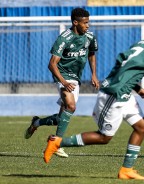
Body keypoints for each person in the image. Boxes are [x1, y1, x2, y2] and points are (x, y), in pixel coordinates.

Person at [43, 20, 144, 180]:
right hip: (115, 94)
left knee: (142, 127)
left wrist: (138, 89)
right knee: (104, 137)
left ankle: (126, 170)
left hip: (124, 94)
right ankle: (57, 143)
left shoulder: (141, 44)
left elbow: (122, 65)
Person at [24, 8, 99, 158]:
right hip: (63, 76)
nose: (88, 26)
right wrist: (63, 82)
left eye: (88, 22)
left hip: (75, 78)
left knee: (61, 118)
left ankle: (36, 123)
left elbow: (91, 55)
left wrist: (94, 75)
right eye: (85, 23)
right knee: (71, 106)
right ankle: (56, 144)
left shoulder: (90, 37)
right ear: (75, 22)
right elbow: (52, 64)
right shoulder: (64, 38)